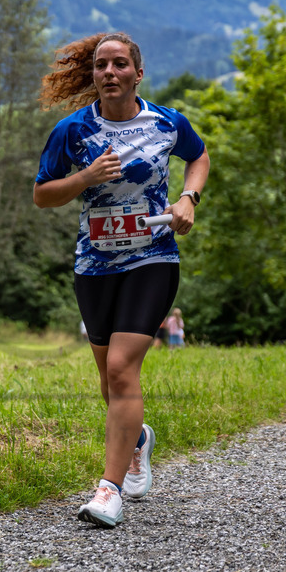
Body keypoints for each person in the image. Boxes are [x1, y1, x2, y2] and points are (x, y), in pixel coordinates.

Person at [34, 31, 210, 528]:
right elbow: (43, 195)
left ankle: (108, 490)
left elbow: (199, 156)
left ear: (137, 73)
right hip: (94, 265)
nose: (109, 72)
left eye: (119, 65)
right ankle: (137, 440)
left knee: (120, 370)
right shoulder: (72, 131)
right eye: (100, 65)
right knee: (108, 381)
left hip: (153, 258)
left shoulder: (166, 122)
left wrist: (187, 200)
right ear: (93, 75)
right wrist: (84, 178)